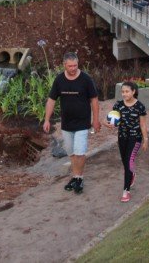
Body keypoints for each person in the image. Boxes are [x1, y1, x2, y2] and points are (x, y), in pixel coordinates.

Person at [43, 52, 101, 194]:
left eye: (75, 65)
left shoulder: (86, 79)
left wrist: (96, 120)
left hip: (82, 122)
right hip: (67, 124)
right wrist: (46, 119)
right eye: (70, 66)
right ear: (64, 65)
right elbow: (51, 100)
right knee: (72, 153)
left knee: (80, 152)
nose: (73, 68)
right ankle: (75, 176)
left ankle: (79, 178)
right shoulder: (59, 80)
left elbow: (94, 100)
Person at [106, 81, 148, 203]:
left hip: (135, 138)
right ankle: (132, 175)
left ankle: (126, 191)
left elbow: (143, 125)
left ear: (133, 91)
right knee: (125, 162)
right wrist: (106, 123)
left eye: (127, 91)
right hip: (122, 137)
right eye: (122, 92)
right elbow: (108, 120)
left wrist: (146, 140)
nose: (124, 94)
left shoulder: (140, 106)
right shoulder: (118, 105)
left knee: (129, 161)